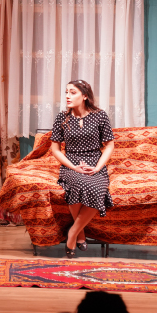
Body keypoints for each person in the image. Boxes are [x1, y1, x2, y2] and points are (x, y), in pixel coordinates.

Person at [49, 79, 115, 256]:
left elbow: (110, 145)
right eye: (66, 92)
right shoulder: (62, 118)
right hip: (71, 163)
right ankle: (81, 234)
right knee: (78, 185)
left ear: (85, 96)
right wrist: (74, 167)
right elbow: (55, 149)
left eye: (73, 92)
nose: (67, 96)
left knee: (97, 188)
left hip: (95, 162)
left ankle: (73, 232)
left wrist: (98, 167)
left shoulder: (100, 116)